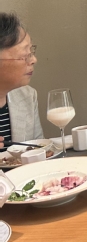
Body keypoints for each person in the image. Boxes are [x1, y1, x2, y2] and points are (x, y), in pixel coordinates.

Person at [0, 12, 43, 149]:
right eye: (25, 54)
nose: (33, 60)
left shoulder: (27, 96)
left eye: (31, 51)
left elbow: (39, 150)